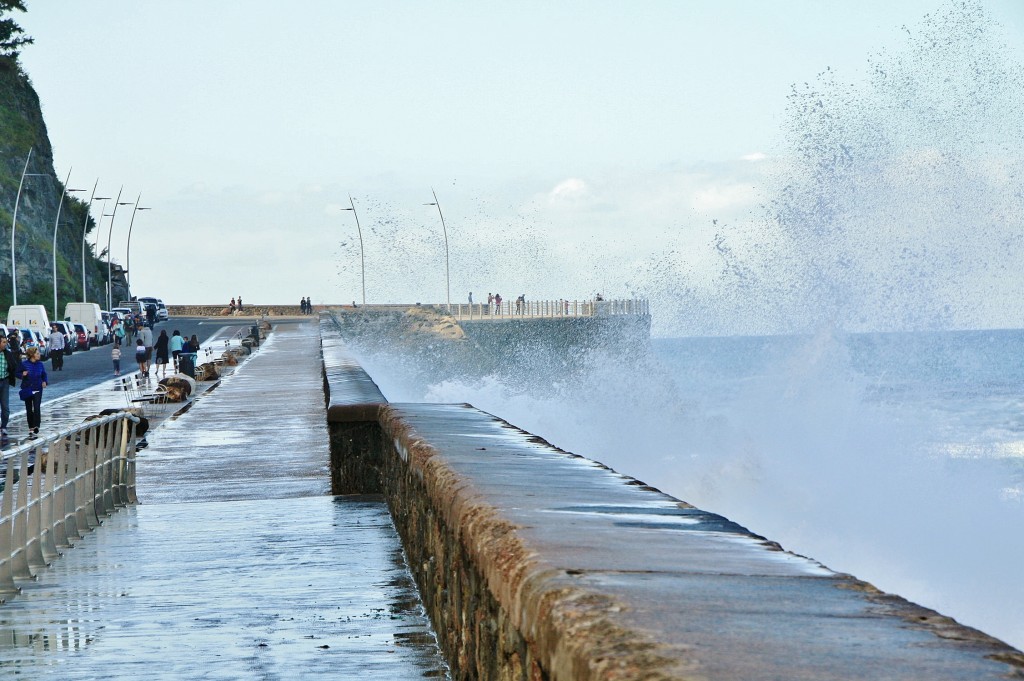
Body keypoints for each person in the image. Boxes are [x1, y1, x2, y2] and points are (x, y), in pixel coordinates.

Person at [19, 346, 47, 439]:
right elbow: (16, 373)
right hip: (28, 389)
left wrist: (44, 381)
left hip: (38, 388)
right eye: (37, 353)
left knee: (37, 407)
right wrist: (22, 375)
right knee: (29, 409)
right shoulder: (24, 364)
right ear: (32, 355)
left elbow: (44, 374)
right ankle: (30, 427)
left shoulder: (40, 364)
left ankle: (36, 426)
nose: (39, 355)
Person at [0, 335, 16, 440]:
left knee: (5, 407)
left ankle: (4, 426)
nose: (5, 344)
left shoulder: (8, 354)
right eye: (4, 342)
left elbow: (14, 366)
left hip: (4, 381)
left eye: (6, 342)